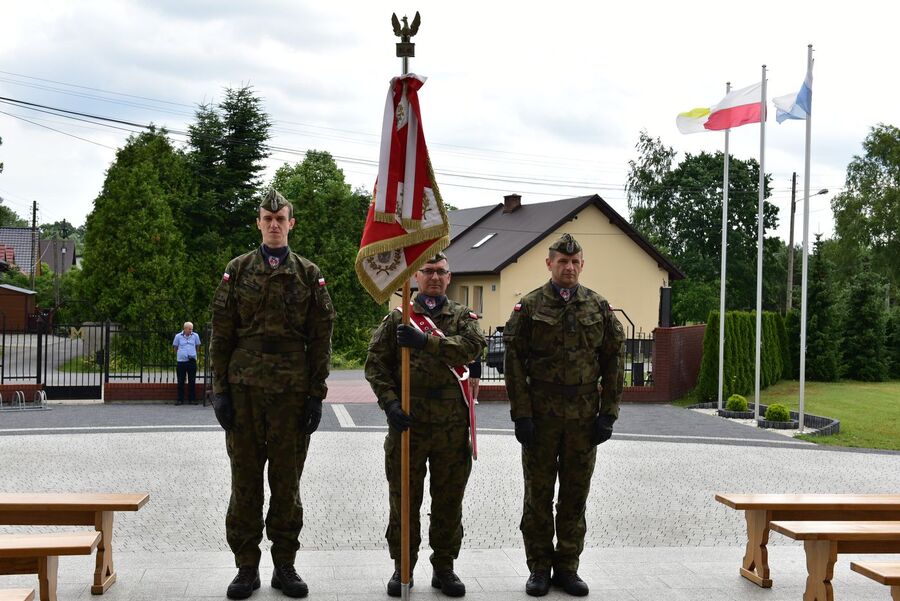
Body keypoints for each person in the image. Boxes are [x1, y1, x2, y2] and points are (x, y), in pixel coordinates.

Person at [210, 189, 335, 600]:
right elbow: (222, 333)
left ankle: (285, 565)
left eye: (281, 218)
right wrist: (220, 391)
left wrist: (316, 394)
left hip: (291, 394)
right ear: (259, 223)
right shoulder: (238, 269)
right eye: (268, 218)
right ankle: (246, 568)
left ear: (291, 223)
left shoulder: (308, 273)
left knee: (286, 483)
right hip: (244, 393)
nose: (275, 224)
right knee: (244, 481)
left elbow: (321, 338)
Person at [502, 233, 625, 598]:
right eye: (561, 261)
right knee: (538, 496)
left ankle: (568, 568)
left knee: (574, 495)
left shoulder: (598, 307)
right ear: (549, 264)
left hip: (584, 417)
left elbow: (614, 362)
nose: (568, 267)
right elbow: (513, 364)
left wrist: (609, 414)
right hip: (541, 416)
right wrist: (521, 415)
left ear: (582, 265)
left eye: (574, 262)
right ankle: (539, 568)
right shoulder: (529, 306)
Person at [365, 253, 486, 598]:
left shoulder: (463, 317)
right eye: (428, 271)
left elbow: (471, 348)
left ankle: (444, 567)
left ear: (450, 277)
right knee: (404, 499)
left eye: (441, 272)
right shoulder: (399, 319)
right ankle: (402, 566)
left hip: (450, 426)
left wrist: (426, 342)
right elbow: (375, 366)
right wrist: (389, 403)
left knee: (448, 500)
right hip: (409, 425)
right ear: (415, 276)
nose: (434, 277)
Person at [172, 321, 201, 405]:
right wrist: (182, 354)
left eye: (192, 329)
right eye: (189, 329)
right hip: (181, 362)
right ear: (184, 329)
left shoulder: (195, 336)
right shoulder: (178, 336)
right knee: (180, 380)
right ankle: (180, 399)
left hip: (192, 361)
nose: (191, 331)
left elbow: (197, 346)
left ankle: (192, 399)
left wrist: (193, 354)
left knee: (192, 380)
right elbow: (175, 347)